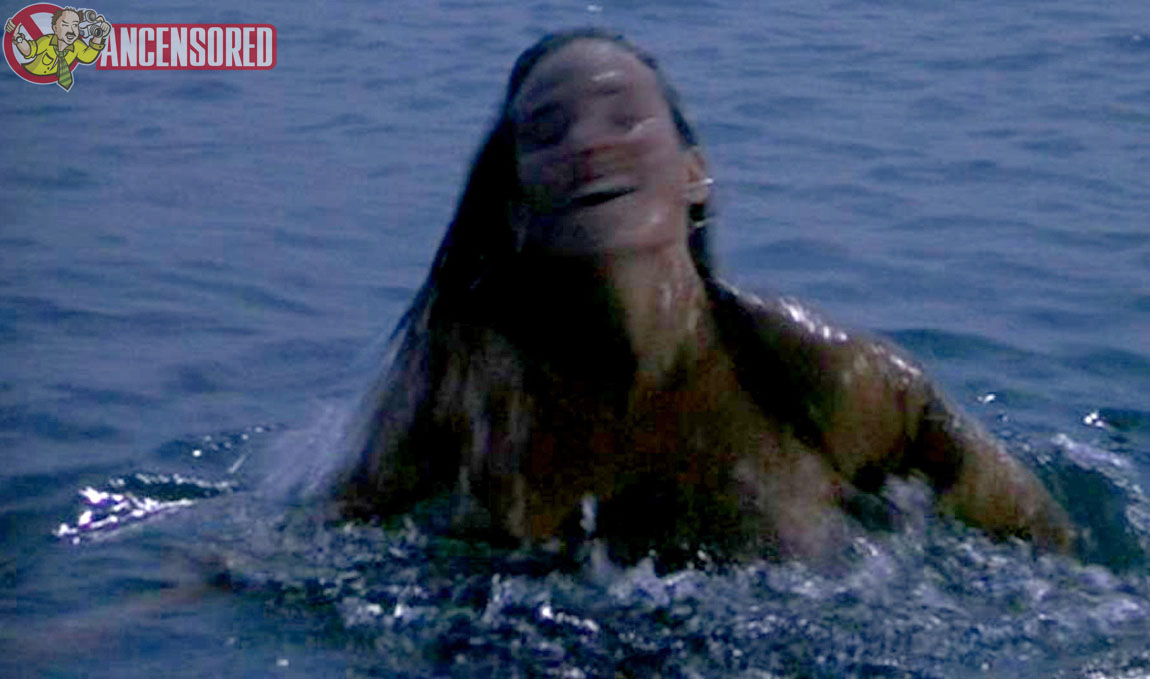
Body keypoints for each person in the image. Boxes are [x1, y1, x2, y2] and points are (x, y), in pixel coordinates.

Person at [335, 28, 1073, 564]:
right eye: (548, 132)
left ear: (694, 174)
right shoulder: (468, 396)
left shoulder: (825, 379)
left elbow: (1044, 544)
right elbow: (323, 551)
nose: (587, 145)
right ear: (519, 206)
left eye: (622, 117)